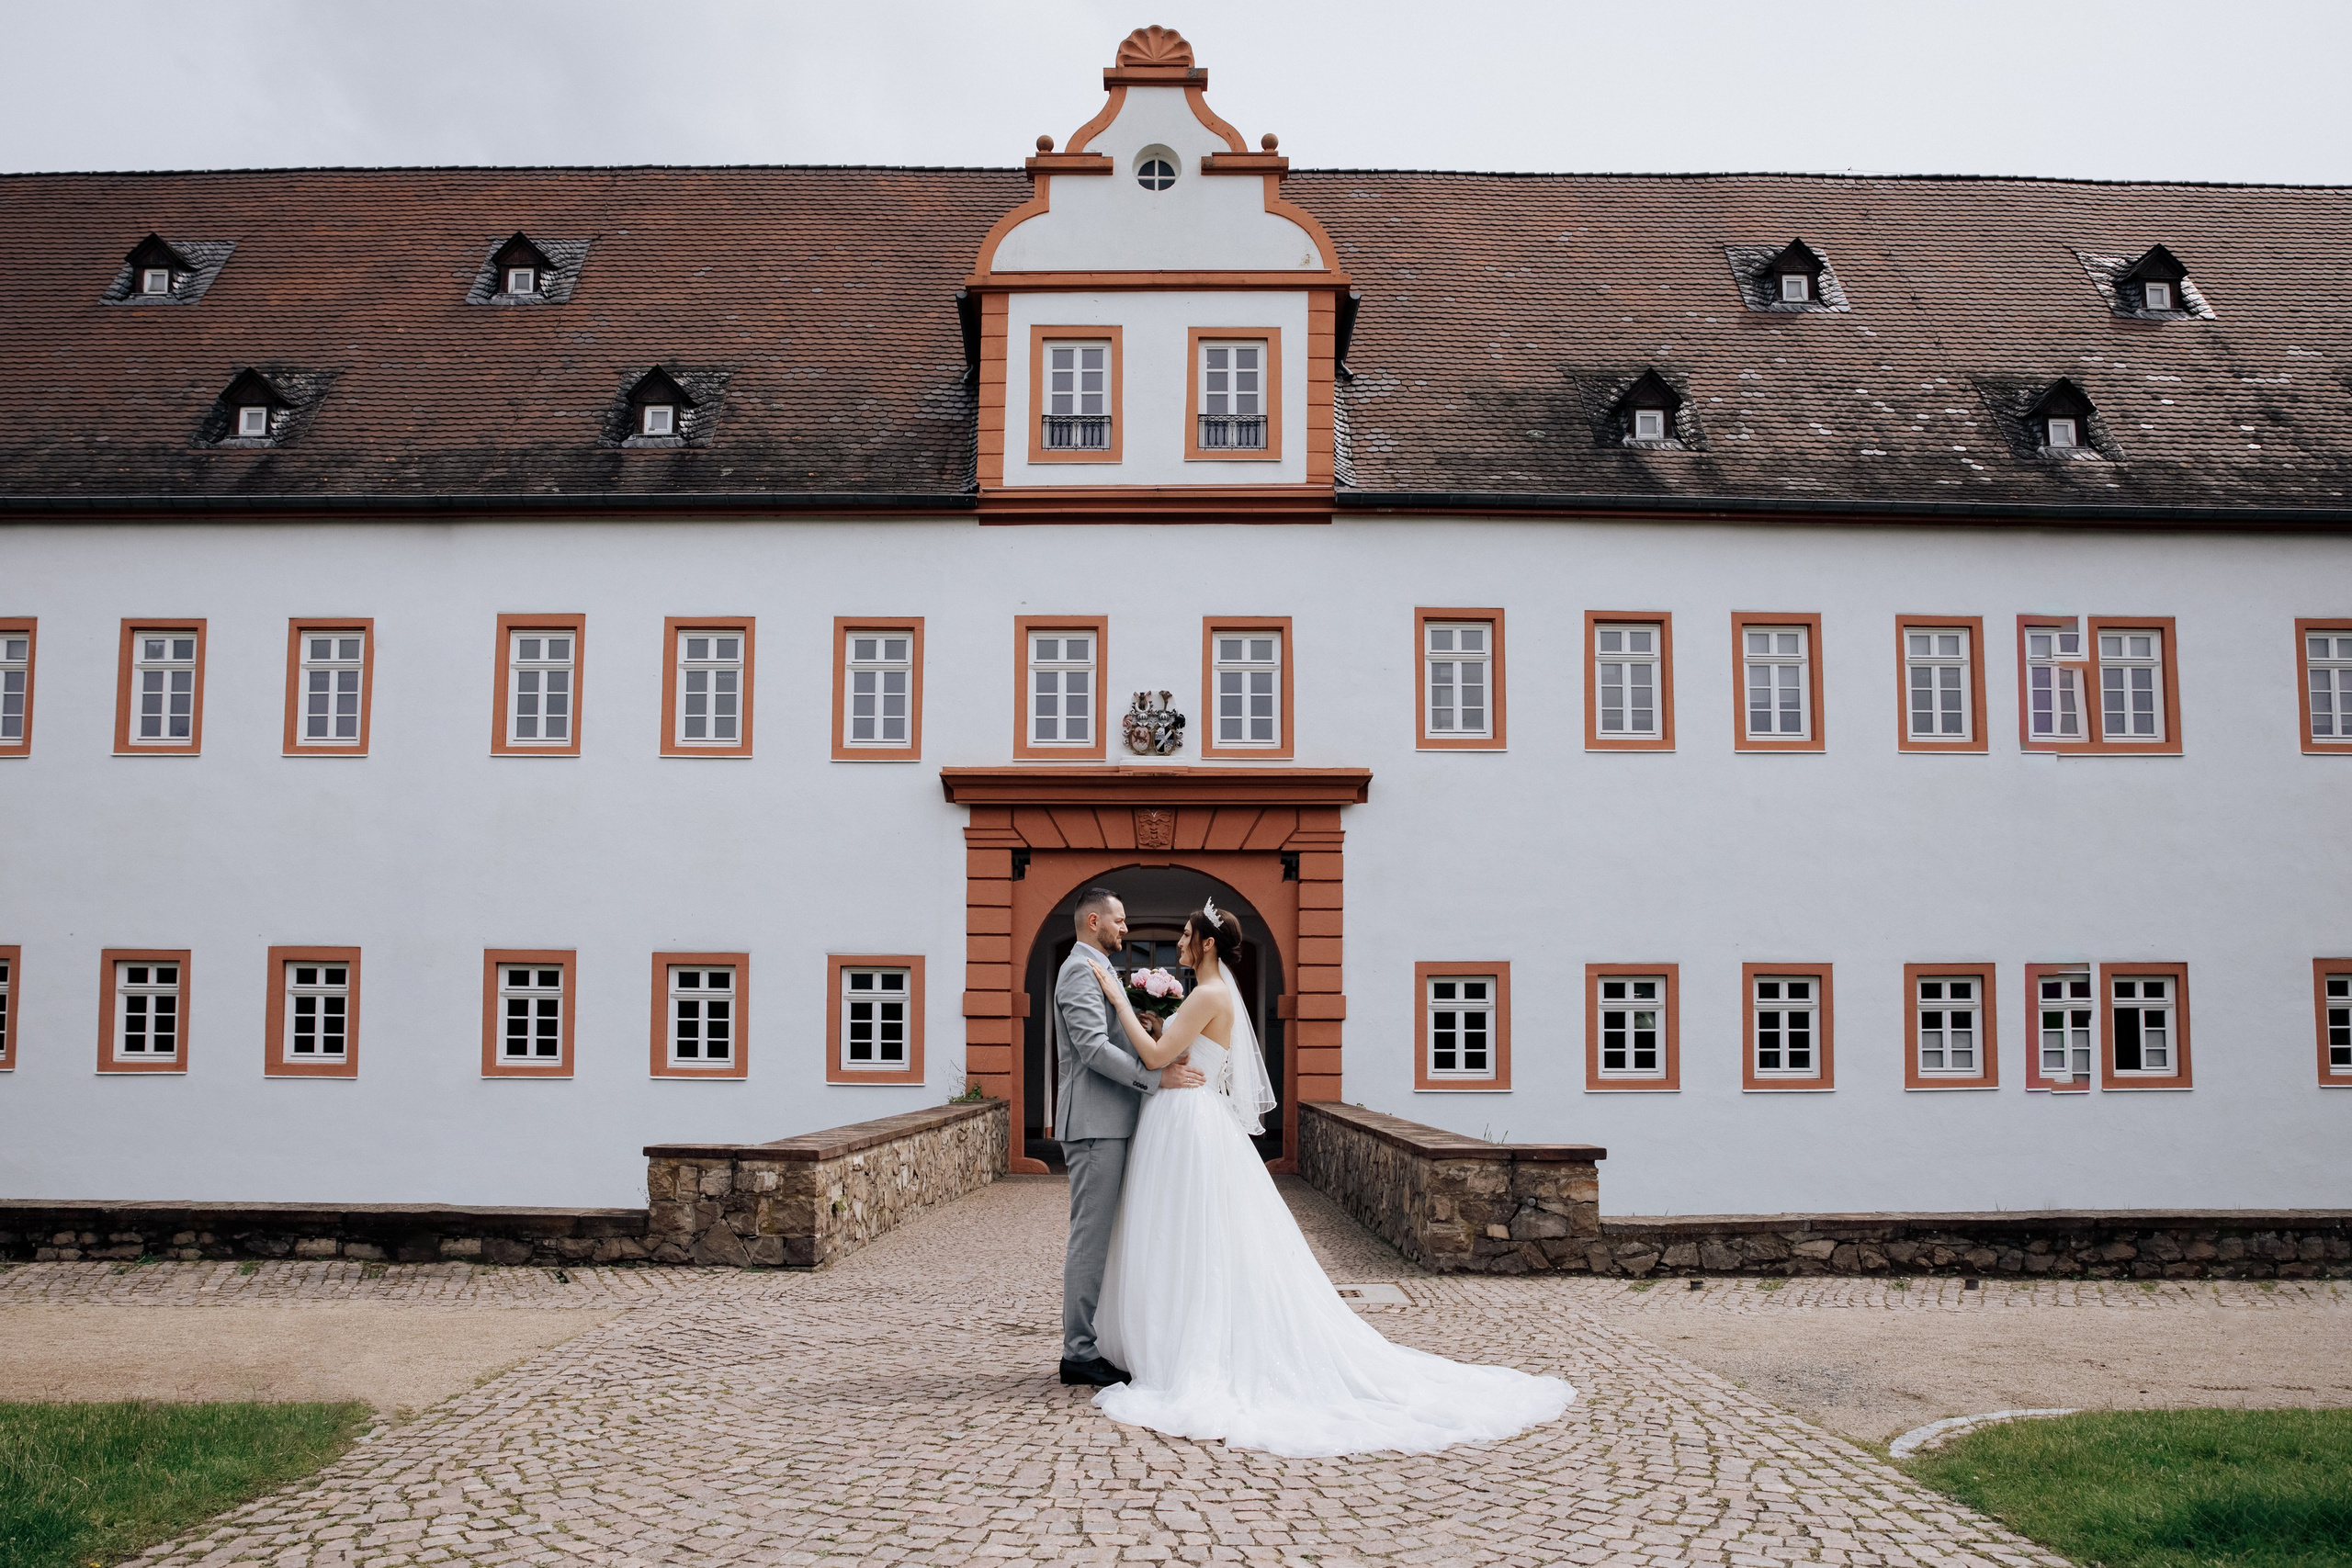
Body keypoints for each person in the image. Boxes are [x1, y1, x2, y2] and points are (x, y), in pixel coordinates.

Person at [1083, 899, 1574, 1457]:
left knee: (1189, 1235)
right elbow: (1175, 1046)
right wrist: (1156, 1020)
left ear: (1207, 943)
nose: (1178, 943)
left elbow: (1155, 1058)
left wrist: (1119, 1000)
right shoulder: (1209, 994)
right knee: (1187, 1235)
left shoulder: (1208, 993)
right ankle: (1167, 1338)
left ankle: (1180, 1347)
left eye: (1185, 935)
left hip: (1187, 1120)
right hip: (1187, 1117)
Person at [1052, 887, 1205, 1388]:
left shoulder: (1100, 969)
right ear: (1093, 921)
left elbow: (1113, 1038)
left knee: (1109, 1237)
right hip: (1095, 1125)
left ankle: (1098, 1342)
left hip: (1113, 1121)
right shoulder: (1080, 970)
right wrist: (1155, 1079)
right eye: (1119, 920)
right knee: (1091, 1238)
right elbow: (1093, 1049)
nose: (1125, 928)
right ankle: (1078, 1353)